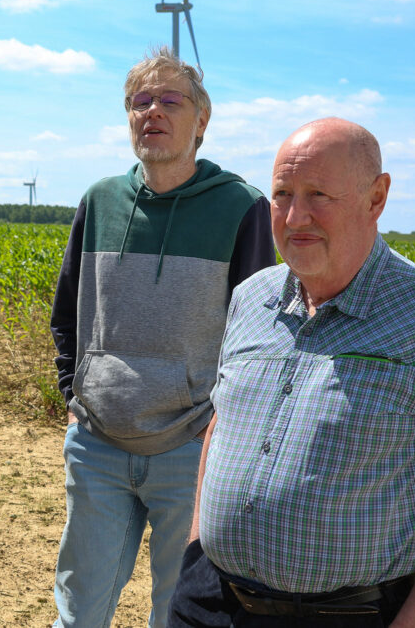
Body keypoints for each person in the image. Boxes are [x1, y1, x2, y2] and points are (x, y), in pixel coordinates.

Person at [169, 117, 415, 627]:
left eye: (318, 195)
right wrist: (197, 546)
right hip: (210, 601)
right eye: (282, 194)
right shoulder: (250, 299)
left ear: (376, 198)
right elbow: (223, 427)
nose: (294, 216)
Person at [49, 46, 275, 628]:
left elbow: (260, 334)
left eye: (170, 100)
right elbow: (67, 311)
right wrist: (75, 396)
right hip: (98, 442)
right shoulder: (99, 201)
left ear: (201, 121)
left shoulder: (243, 207)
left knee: (177, 613)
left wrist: (220, 427)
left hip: (190, 446)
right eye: (140, 101)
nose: (153, 111)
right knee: (78, 611)